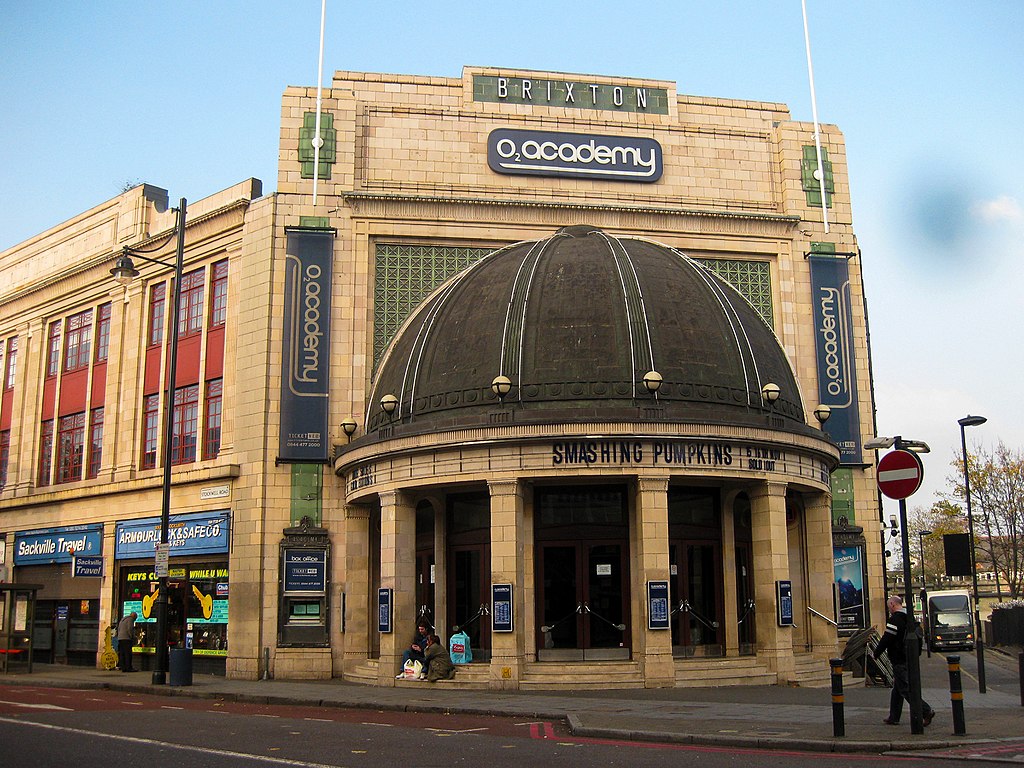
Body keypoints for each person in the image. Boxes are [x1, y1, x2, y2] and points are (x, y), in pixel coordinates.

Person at [873, 595, 935, 727]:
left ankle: (926, 710)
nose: (889, 608)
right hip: (909, 657)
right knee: (898, 689)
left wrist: (876, 652)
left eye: (889, 605)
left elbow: (887, 638)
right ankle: (894, 717)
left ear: (893, 605)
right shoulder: (910, 617)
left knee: (905, 689)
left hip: (899, 658)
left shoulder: (895, 619)